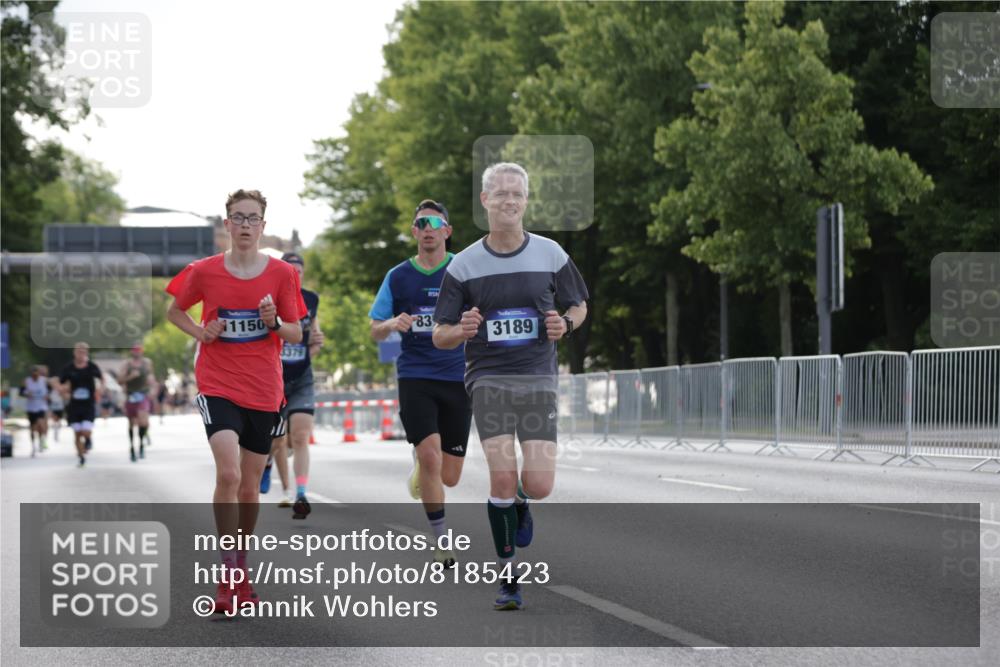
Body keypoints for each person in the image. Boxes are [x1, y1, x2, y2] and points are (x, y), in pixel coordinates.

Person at [433, 163, 588, 610]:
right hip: (489, 380)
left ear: (526, 199)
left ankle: (522, 499)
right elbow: (440, 333)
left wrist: (566, 325)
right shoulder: (463, 265)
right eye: (500, 193)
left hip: (537, 379)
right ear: (485, 201)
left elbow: (578, 305)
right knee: (500, 475)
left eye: (516, 193)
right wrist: (460, 329)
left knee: (537, 485)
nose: (509, 200)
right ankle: (507, 576)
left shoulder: (551, 254)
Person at [166, 189, 306, 614]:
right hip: (218, 384)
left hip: (264, 389)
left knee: (249, 487)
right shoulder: (204, 272)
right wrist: (200, 332)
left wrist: (273, 323)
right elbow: (176, 311)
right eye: (238, 218)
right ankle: (226, 572)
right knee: (227, 475)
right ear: (226, 225)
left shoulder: (282, 274)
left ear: (263, 226)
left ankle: (241, 566)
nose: (245, 225)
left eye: (253, 218)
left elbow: (296, 333)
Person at [370, 199, 472, 569]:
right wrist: (390, 325)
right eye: (420, 223)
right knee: (430, 455)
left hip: (458, 377)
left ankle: (422, 468)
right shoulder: (397, 277)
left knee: (451, 475)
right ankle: (442, 541)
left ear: (447, 231)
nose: (427, 228)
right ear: (414, 232)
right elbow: (375, 330)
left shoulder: (465, 269)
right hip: (415, 376)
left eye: (434, 222)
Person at [261, 251, 325, 519]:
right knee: (275, 441)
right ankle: (265, 465)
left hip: (302, 379)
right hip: (272, 379)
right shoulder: (269, 299)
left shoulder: (311, 299)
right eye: (290, 270)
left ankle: (300, 493)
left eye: (299, 270)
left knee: (299, 437)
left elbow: (314, 336)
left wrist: (313, 347)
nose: (295, 274)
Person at [58, 342, 104, 468]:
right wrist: (63, 392)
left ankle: (88, 440)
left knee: (85, 430)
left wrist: (100, 390)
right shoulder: (69, 368)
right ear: (74, 352)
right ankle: (81, 457)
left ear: (87, 353)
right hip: (74, 405)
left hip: (88, 404)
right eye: (79, 351)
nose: (81, 354)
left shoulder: (91, 367)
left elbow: (101, 378)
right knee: (77, 433)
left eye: (84, 351)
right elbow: (60, 382)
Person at [118, 343, 156, 462]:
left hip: (143, 394)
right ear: (132, 352)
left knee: (143, 421)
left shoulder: (147, 363)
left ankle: (141, 445)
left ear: (142, 351)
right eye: (135, 350)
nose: (137, 352)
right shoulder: (126, 364)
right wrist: (130, 376)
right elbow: (120, 381)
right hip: (130, 395)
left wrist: (153, 386)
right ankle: (132, 448)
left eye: (139, 350)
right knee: (131, 423)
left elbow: (151, 376)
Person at [22, 365, 50, 456]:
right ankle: (33, 446)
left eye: (37, 374)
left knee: (41, 424)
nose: (35, 376)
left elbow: (50, 390)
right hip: (31, 408)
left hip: (41, 406)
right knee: (32, 429)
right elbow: (21, 391)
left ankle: (42, 440)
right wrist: (27, 394)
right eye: (33, 375)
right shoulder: (27, 381)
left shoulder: (44, 380)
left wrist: (47, 396)